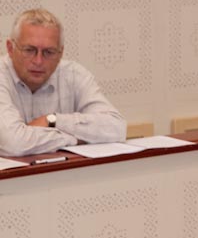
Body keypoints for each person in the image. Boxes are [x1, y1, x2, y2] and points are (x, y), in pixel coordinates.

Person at [0, 8, 127, 156]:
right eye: (29, 50)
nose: (38, 61)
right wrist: (73, 139)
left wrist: (53, 120)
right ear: (10, 49)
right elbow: (14, 144)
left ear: (60, 53)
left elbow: (117, 128)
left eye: (49, 52)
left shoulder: (73, 74)